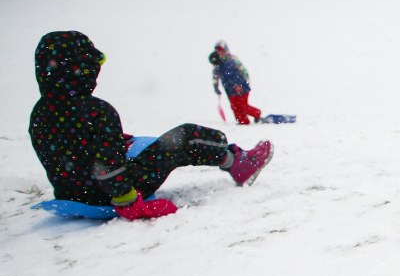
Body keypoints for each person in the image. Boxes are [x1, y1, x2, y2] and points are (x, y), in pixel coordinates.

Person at [29, 31, 274, 221]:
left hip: (70, 194)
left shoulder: (40, 113)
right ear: (83, 71)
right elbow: (109, 169)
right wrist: (129, 202)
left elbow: (66, 151)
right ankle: (236, 162)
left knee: (139, 145)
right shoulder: (98, 112)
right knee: (185, 137)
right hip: (113, 194)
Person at [209, 40, 263, 125]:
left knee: (243, 105)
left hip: (241, 86)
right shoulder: (217, 64)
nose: (220, 53)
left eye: (222, 51)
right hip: (229, 89)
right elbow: (215, 77)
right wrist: (216, 87)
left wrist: (241, 84)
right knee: (235, 107)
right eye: (218, 51)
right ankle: (243, 121)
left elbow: (242, 72)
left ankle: (257, 114)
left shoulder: (232, 60)